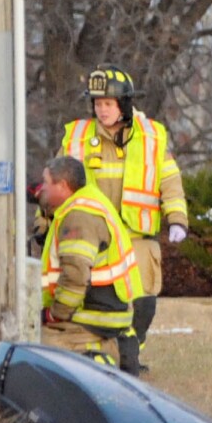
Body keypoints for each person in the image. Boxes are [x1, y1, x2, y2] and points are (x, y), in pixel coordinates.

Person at [58, 65, 187, 375]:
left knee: (142, 305)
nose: (101, 111)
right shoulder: (77, 137)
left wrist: (177, 219)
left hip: (136, 238)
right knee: (97, 305)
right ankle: (108, 361)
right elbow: (57, 183)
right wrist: (42, 223)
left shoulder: (151, 137)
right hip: (95, 240)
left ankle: (129, 356)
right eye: (98, 104)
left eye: (108, 104)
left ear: (124, 105)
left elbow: (169, 181)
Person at [35, 155, 145, 369]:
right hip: (106, 312)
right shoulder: (90, 201)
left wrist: (54, 314)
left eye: (46, 183)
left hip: (90, 316)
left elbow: (75, 276)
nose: (42, 189)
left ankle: (95, 359)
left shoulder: (78, 216)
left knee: (36, 350)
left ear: (63, 186)